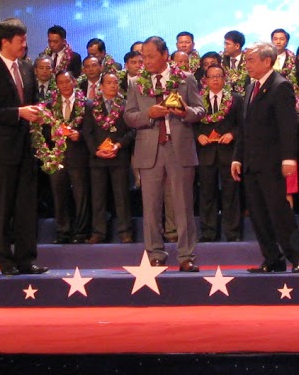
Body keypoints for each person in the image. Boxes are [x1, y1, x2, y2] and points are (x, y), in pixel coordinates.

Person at [124, 35, 204, 271]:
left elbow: (200, 110)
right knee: (150, 207)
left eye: (151, 56)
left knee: (183, 205)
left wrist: (185, 112)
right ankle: (155, 254)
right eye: (143, 57)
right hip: (150, 149)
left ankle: (186, 256)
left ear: (165, 55)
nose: (146, 61)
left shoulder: (185, 79)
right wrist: (149, 114)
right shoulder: (136, 82)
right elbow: (129, 116)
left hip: (179, 148)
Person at [0, 18, 48, 277]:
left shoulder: (27, 67)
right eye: (21, 40)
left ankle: (27, 259)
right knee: (4, 207)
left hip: (26, 149)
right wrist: (19, 112)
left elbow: (34, 101)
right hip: (2, 151)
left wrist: (39, 113)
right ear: (5, 42)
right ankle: (5, 261)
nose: (24, 45)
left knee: (26, 207)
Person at [233, 40, 299, 274]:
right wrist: (237, 158)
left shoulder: (280, 85)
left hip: (272, 162)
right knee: (257, 213)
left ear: (267, 61)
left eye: (250, 60)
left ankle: (297, 256)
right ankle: (272, 258)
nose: (246, 64)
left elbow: (288, 126)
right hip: (251, 161)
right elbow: (244, 127)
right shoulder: (250, 87)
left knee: (279, 211)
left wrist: (288, 158)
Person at [39, 69, 90, 244]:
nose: (65, 85)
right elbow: (43, 130)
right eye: (60, 82)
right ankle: (63, 231)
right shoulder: (49, 105)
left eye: (67, 81)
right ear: (57, 85)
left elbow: (91, 130)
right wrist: (53, 134)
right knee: (59, 194)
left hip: (78, 155)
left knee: (81, 195)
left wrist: (79, 135)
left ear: (74, 82)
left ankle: (81, 233)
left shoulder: (86, 104)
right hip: (57, 157)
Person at [84, 71, 135, 243]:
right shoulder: (91, 106)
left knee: (122, 196)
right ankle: (98, 232)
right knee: (98, 197)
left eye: (115, 82)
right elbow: (87, 132)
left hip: (119, 157)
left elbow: (132, 131)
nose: (113, 86)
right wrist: (95, 151)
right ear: (101, 86)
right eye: (109, 83)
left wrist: (118, 145)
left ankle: (125, 232)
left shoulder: (125, 104)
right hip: (98, 158)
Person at [195, 64, 243, 242]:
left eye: (218, 76)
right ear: (205, 80)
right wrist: (198, 135)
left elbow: (243, 124)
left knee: (231, 193)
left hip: (228, 153)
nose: (215, 79)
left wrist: (232, 134)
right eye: (211, 76)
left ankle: (232, 233)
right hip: (206, 153)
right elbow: (190, 123)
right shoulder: (198, 99)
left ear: (225, 78)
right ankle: (208, 232)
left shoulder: (236, 99)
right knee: (207, 194)